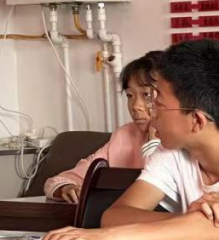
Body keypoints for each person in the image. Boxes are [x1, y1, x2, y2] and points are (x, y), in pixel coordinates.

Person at [38, 39, 219, 240]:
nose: (151, 113)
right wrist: (190, 222)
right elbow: (115, 216)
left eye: (159, 105)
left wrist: (105, 237)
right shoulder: (171, 153)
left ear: (197, 121)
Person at [44, 52, 163, 203]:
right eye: (130, 96)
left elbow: (160, 188)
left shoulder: (184, 138)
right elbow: (63, 179)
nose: (135, 106)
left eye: (146, 95)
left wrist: (153, 141)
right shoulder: (123, 135)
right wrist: (65, 187)